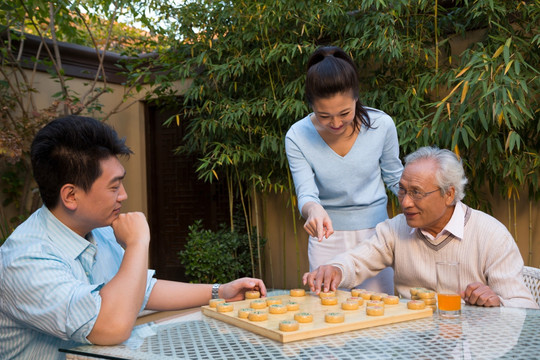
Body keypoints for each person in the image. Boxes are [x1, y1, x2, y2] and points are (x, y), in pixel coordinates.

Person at [0, 115, 267, 360]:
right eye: (113, 187)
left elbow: (141, 290)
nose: (123, 195)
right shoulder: (24, 260)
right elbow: (109, 327)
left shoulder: (99, 229)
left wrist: (219, 291)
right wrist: (138, 243)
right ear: (71, 196)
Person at [303, 146, 538, 309]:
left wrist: (497, 302)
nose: (405, 202)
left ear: (449, 194)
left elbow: (524, 307)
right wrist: (335, 269)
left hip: (471, 344)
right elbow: (356, 261)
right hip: (410, 341)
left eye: (417, 193)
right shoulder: (395, 229)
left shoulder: (491, 235)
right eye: (402, 190)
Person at [285, 46, 403, 294]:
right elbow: (306, 193)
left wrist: (424, 202)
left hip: (376, 235)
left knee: (381, 314)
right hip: (326, 237)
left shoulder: (382, 125)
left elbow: (395, 177)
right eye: (324, 115)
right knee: (328, 315)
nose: (336, 123)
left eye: (344, 113)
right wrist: (313, 210)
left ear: (356, 97)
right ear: (311, 105)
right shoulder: (297, 135)